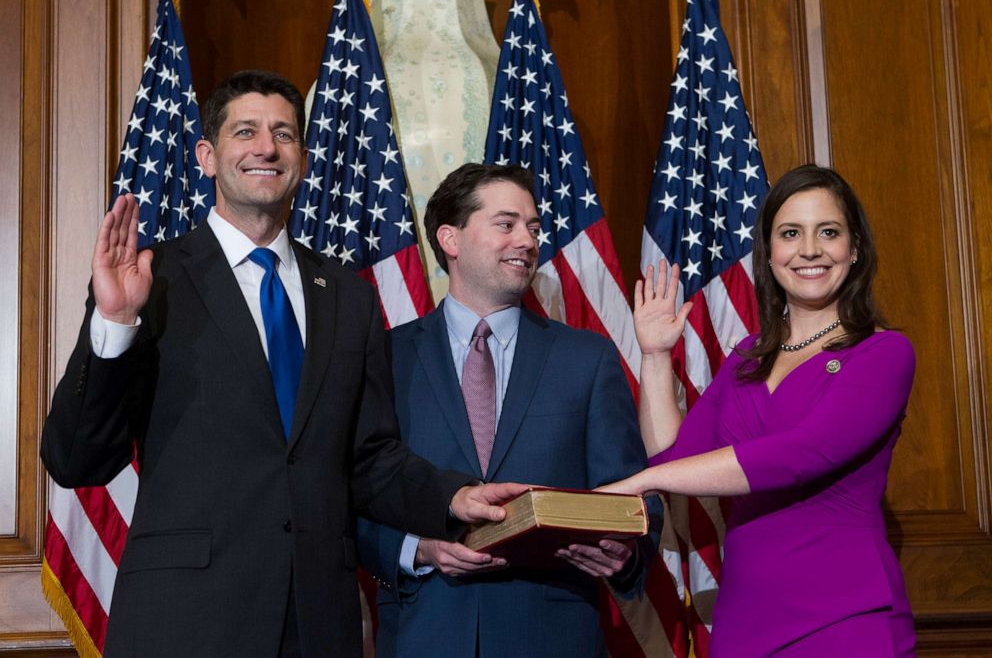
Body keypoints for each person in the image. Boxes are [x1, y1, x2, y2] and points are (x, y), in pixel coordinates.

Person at [40, 70, 525, 658]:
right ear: (208, 156)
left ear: (302, 156)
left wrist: (452, 497)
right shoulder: (151, 278)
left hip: (317, 622)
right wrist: (115, 323)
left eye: (284, 134)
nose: (266, 147)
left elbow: (369, 459)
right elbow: (75, 459)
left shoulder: (347, 294)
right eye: (245, 131)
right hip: (186, 623)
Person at [602, 164, 916, 656]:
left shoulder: (884, 353)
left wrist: (642, 483)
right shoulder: (748, 359)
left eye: (828, 232)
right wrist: (656, 355)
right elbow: (674, 458)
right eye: (790, 233)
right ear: (769, 255)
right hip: (745, 618)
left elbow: (801, 454)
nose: (809, 249)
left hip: (845, 614)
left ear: (854, 251)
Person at [355, 163, 661, 658]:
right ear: (450, 239)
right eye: (506, 224)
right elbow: (356, 491)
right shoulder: (385, 358)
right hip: (423, 635)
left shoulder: (588, 359)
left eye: (534, 228)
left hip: (553, 635)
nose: (527, 239)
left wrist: (625, 553)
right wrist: (418, 550)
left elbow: (635, 496)